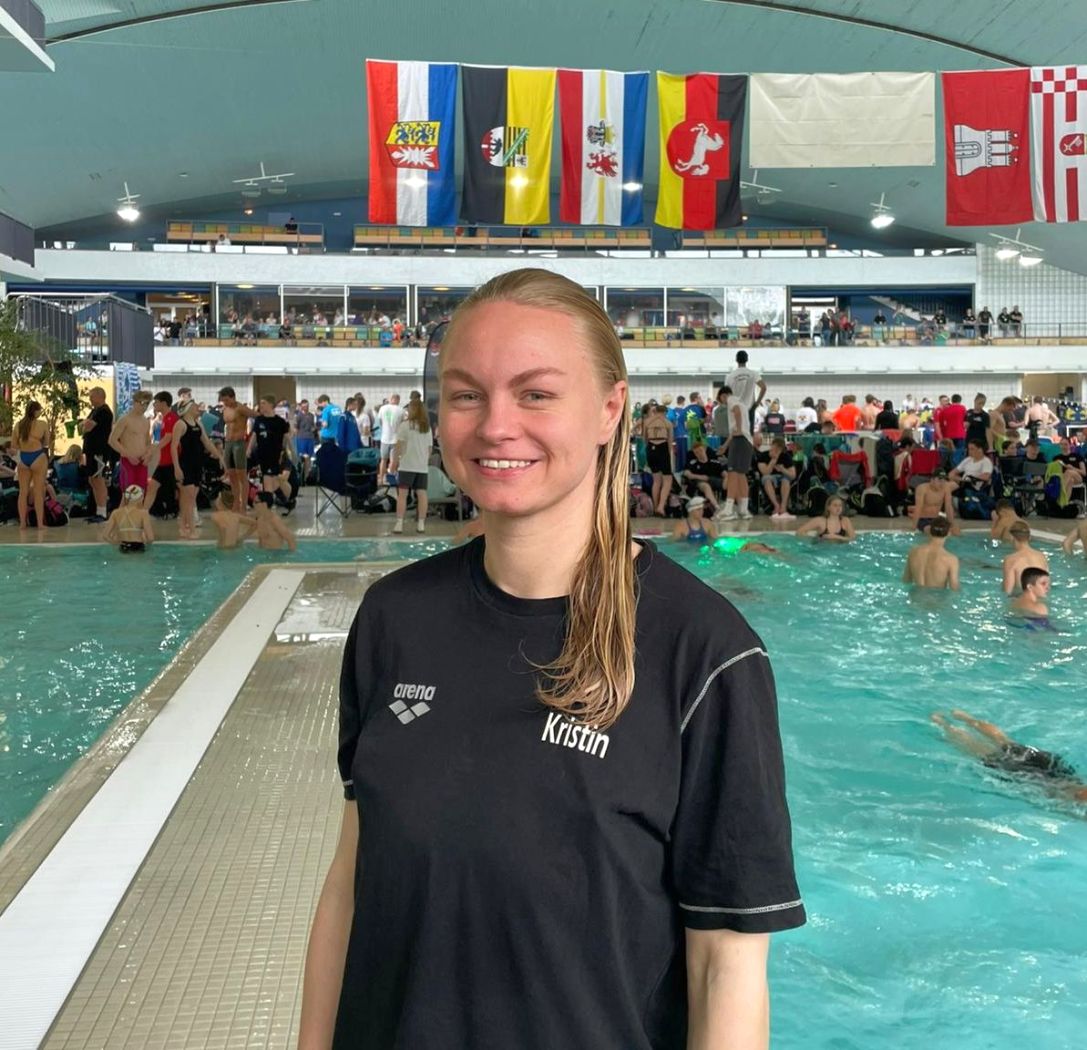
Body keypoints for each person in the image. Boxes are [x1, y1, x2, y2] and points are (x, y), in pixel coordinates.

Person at [300, 269, 804, 1050]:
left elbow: (725, 968)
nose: (495, 426)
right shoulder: (393, 618)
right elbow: (350, 881)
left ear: (608, 409)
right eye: (466, 395)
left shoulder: (704, 653)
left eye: (535, 394)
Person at [930, 710, 1087, 803]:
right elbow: (1079, 795)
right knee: (982, 753)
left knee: (1006, 742)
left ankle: (965, 718)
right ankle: (944, 725)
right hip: (1035, 777)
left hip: (1059, 770)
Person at [174, 399, 225, 539]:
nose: (197, 408)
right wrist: (176, 467)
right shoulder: (180, 424)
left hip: (197, 464)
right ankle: (188, 528)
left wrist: (220, 457)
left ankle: (185, 526)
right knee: (188, 498)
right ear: (187, 409)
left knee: (191, 498)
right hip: (185, 464)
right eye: (194, 406)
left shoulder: (198, 424)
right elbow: (173, 447)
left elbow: (207, 442)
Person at [392, 395, 433, 534]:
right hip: (421, 467)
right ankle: (421, 524)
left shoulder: (405, 425)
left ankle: (399, 524)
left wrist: (394, 462)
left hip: (406, 465)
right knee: (422, 494)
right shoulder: (427, 428)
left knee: (402, 495)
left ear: (412, 410)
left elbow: (398, 447)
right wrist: (423, 461)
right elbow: (429, 449)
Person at [250, 395, 295, 511]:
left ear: (271, 405)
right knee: (273, 482)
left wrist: (292, 452)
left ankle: (267, 510)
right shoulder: (259, 420)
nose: (261, 406)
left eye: (263, 403)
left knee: (268, 484)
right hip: (261, 455)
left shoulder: (279, 422)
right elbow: (254, 436)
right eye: (260, 403)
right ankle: (286, 503)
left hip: (274, 456)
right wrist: (248, 450)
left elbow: (287, 438)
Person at [10, 400, 49, 531]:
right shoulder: (42, 424)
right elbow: (46, 442)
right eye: (39, 410)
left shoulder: (18, 425)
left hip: (23, 457)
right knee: (38, 492)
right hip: (38, 457)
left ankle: (22, 523)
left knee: (23, 492)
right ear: (36, 411)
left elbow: (13, 446)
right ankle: (40, 523)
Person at [718, 383, 755, 520]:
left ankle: (728, 509)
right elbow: (734, 430)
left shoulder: (731, 400)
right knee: (741, 475)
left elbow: (736, 412)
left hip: (740, 440)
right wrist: (725, 446)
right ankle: (743, 509)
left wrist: (739, 429)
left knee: (732, 474)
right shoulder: (742, 403)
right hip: (746, 441)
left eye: (721, 400)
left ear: (723, 396)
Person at [219, 386, 258, 511]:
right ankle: (236, 503)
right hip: (228, 443)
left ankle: (243, 506)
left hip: (238, 443)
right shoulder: (226, 409)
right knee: (231, 474)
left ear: (233, 397)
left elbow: (256, 416)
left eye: (226, 400)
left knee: (241, 475)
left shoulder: (241, 408)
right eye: (223, 400)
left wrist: (252, 435)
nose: (225, 402)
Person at [108, 389, 154, 494]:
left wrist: (148, 454)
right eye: (142, 403)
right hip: (128, 462)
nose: (144, 407)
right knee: (129, 494)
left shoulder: (146, 421)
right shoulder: (125, 420)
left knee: (141, 494)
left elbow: (148, 442)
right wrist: (128, 455)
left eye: (147, 404)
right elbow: (112, 440)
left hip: (142, 462)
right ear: (134, 402)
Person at [80, 386, 114, 523]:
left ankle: (102, 511)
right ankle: (97, 509)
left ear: (100, 396)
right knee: (92, 480)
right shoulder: (94, 411)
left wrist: (84, 424)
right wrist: (84, 424)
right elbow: (83, 427)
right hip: (90, 451)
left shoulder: (104, 411)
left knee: (98, 479)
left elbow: (87, 427)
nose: (90, 399)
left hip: (99, 451)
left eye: (92, 397)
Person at [902, 514, 959, 589]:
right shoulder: (951, 559)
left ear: (929, 531)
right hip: (935, 596)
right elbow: (954, 587)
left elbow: (906, 580)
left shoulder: (913, 552)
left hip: (915, 595)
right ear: (948, 533)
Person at [144, 391, 179, 514]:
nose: (154, 405)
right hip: (163, 461)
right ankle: (144, 512)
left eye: (156, 402)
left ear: (164, 403)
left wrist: (153, 451)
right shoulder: (164, 418)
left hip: (170, 461)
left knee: (173, 488)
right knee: (153, 486)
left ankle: (174, 511)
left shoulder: (171, 418)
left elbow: (168, 437)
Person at [642, 402, 675, 517]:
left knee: (656, 480)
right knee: (668, 479)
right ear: (665, 412)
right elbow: (670, 441)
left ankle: (655, 507)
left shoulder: (647, 422)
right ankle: (661, 506)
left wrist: (650, 448)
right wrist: (668, 454)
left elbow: (644, 439)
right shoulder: (667, 423)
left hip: (650, 448)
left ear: (655, 411)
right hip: (663, 448)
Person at [102, 484, 155, 552]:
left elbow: (105, 536)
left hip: (123, 547)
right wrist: (146, 543)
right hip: (138, 547)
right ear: (140, 498)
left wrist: (116, 543)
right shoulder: (143, 513)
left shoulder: (115, 513)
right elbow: (150, 538)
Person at [725, 349, 767, 432]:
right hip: (749, 409)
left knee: (736, 433)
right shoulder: (753, 374)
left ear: (736, 360)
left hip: (736, 409)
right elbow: (764, 387)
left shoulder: (730, 376)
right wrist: (757, 403)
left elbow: (726, 394)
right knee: (748, 435)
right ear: (747, 360)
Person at [1002, 522, 1048, 595]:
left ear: (1012, 538)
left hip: (1022, 597)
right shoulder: (1041, 556)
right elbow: (1046, 586)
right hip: (1040, 598)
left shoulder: (1010, 559)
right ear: (1029, 537)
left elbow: (1007, 591)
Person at [757, 437, 797, 520]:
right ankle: (776, 505)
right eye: (774, 448)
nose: (776, 451)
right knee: (766, 479)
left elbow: (793, 475)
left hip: (782, 476)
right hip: (769, 476)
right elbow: (765, 472)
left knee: (785, 480)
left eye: (778, 450)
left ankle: (783, 506)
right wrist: (773, 460)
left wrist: (783, 470)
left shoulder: (786, 456)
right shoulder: (763, 455)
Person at [682, 441, 722, 513]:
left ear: (704, 449)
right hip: (699, 483)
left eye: (700, 450)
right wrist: (701, 477)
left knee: (730, 482)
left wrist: (726, 477)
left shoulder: (714, 462)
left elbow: (724, 472)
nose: (699, 453)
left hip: (714, 480)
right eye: (696, 453)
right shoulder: (693, 463)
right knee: (706, 486)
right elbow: (687, 473)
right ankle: (717, 507)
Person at [377, 394, 405, 483]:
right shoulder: (401, 410)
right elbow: (403, 424)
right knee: (393, 461)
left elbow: (380, 421)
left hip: (384, 438)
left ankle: (381, 479)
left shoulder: (382, 408)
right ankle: (390, 479)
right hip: (395, 439)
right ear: (397, 400)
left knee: (383, 460)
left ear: (391, 399)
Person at [295, 399, 317, 478]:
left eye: (307, 406)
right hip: (301, 439)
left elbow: (313, 425)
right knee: (303, 457)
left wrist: (314, 428)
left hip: (310, 438)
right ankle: (302, 475)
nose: (306, 408)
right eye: (304, 406)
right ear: (301, 406)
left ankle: (307, 476)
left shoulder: (311, 415)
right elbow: (296, 427)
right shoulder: (298, 416)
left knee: (309, 457)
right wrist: (297, 437)